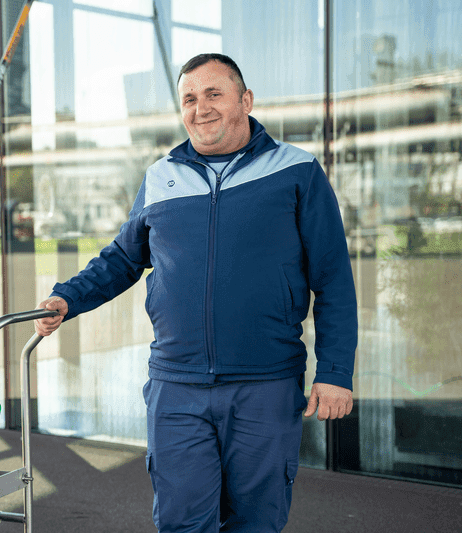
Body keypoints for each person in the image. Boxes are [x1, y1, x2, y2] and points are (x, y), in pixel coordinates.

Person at [34, 54, 357, 532]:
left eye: (213, 94)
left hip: (265, 384)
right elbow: (123, 258)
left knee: (256, 522)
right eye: (189, 98)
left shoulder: (296, 170)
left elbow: (332, 278)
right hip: (176, 386)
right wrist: (69, 298)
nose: (200, 108)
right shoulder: (160, 176)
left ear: (245, 100)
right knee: (182, 522)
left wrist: (334, 372)